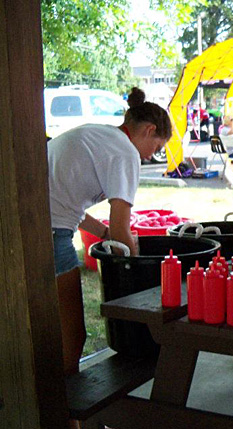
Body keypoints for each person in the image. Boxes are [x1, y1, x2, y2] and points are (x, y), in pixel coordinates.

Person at [49, 87, 172, 377]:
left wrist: (103, 233)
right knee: (71, 336)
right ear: (149, 130)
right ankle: (65, 411)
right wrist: (134, 259)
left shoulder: (97, 133)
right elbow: (121, 230)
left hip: (32, 225)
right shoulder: (126, 151)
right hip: (52, 235)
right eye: (156, 149)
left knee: (44, 326)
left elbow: (66, 204)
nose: (150, 157)